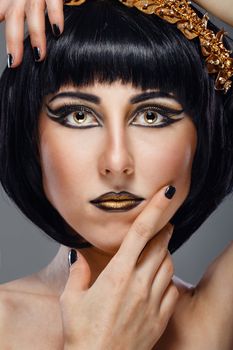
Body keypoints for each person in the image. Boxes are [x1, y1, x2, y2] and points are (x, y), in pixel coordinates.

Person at [0, 0, 232, 348]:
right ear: (30, 137)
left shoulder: (215, 319)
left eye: (152, 116)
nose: (117, 162)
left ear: (204, 136)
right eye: (78, 116)